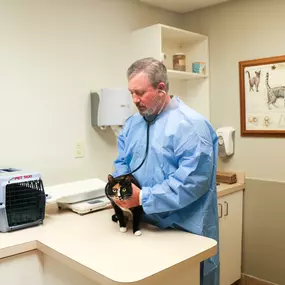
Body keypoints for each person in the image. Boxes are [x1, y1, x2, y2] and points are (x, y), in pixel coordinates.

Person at [111, 57, 219, 285]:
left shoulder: (191, 126)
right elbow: (122, 160)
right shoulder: (132, 124)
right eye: (131, 93)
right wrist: (121, 185)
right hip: (144, 226)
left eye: (140, 93)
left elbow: (192, 183)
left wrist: (143, 197)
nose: (135, 100)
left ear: (161, 89)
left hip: (183, 230)